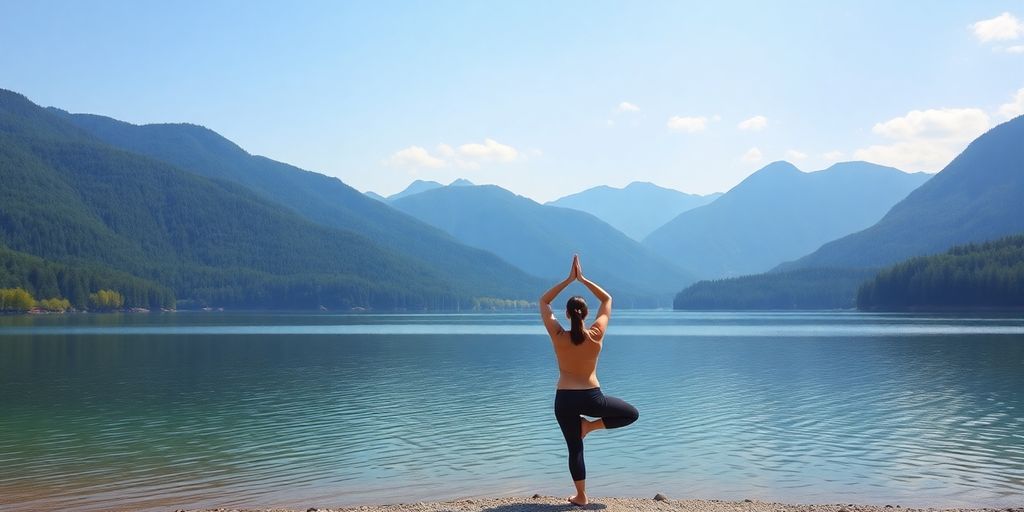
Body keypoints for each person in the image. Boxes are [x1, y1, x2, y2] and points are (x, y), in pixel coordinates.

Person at [539, 254, 639, 506]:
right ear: (585, 314)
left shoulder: (558, 335)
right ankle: (589, 427)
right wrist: (582, 280)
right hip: (592, 398)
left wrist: (568, 280)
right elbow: (607, 299)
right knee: (631, 414)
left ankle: (581, 496)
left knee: (575, 449)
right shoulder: (595, 334)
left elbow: (543, 301)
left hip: (564, 400)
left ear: (568, 314)